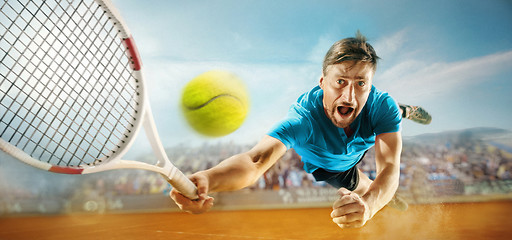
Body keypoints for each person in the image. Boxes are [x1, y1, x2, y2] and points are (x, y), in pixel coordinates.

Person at [170, 31, 431, 229]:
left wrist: (372, 207)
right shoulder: (302, 120)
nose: (349, 95)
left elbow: (390, 168)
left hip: (367, 132)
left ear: (371, 84)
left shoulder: (379, 104)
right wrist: (210, 179)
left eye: (361, 83)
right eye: (340, 81)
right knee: (363, 187)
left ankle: (405, 110)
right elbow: (255, 160)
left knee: (390, 112)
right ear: (322, 82)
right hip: (333, 165)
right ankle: (387, 195)